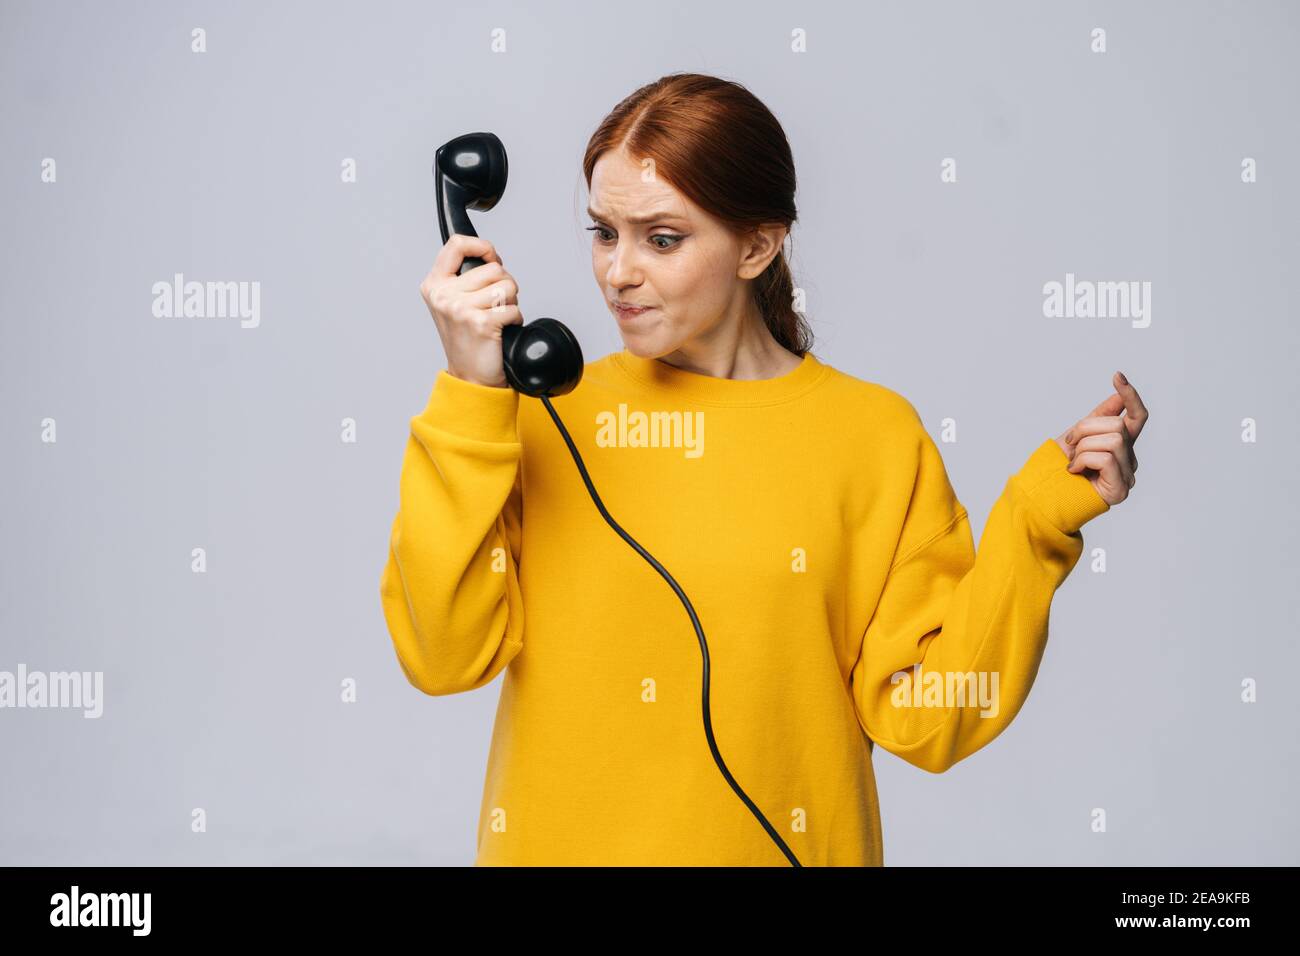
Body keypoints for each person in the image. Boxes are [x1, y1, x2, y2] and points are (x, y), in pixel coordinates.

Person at [379, 72, 1148, 866]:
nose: (618, 272)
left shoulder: (873, 437)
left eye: (662, 238)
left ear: (758, 244)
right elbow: (443, 655)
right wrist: (473, 395)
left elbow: (926, 719)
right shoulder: (544, 412)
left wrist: (1033, 523)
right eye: (604, 232)